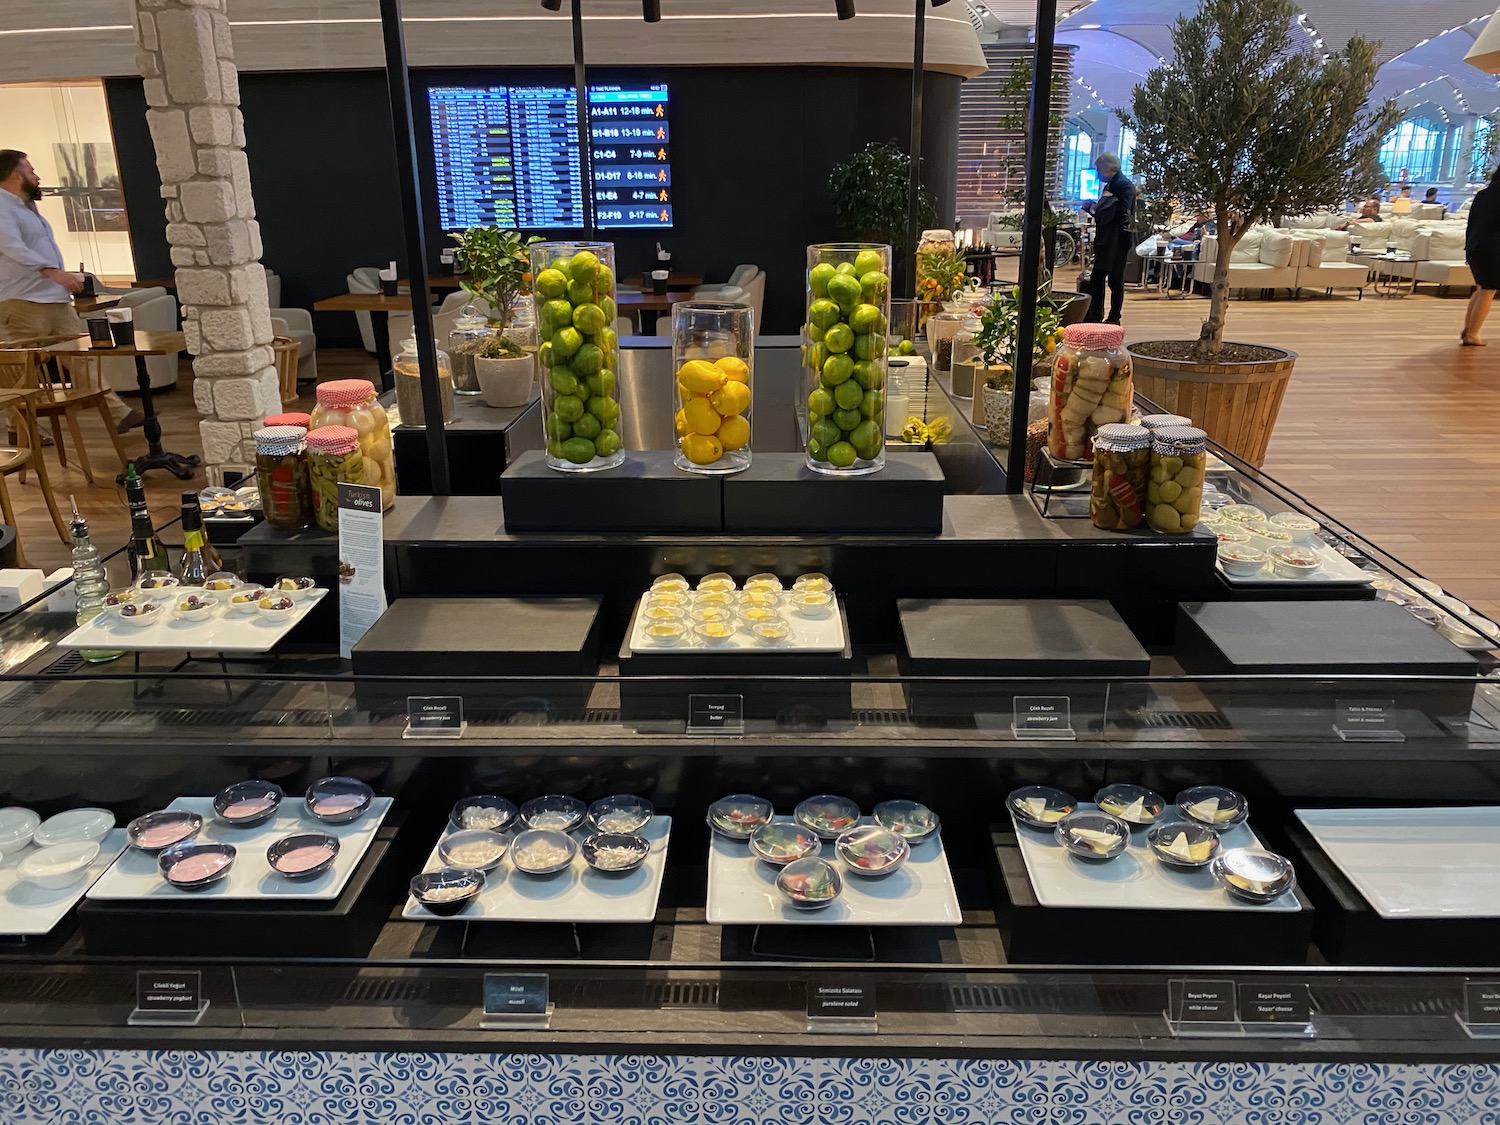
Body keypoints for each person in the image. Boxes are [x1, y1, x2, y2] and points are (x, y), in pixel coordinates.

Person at [0, 149, 141, 432]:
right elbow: (11, 247)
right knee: (23, 368)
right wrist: (53, 272)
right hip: (23, 302)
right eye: (31, 171)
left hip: (53, 298)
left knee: (80, 356)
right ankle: (22, 430)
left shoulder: (24, 207)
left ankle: (117, 414)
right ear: (15, 176)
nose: (37, 177)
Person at [1083, 152, 1136, 325]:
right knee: (1098, 277)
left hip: (1117, 241)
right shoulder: (1113, 184)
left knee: (1114, 279)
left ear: (1108, 169)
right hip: (1106, 239)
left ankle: (1114, 317)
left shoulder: (1124, 186)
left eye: (1099, 169)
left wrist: (1100, 208)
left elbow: (1123, 212)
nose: (1097, 174)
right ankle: (1096, 313)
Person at [1462, 167, 1500, 347]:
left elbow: (1472, 223)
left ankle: (1468, 329)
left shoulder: (1483, 195)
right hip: (1493, 248)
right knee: (1488, 289)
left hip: (1475, 247)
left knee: (1481, 288)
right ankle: (1473, 334)